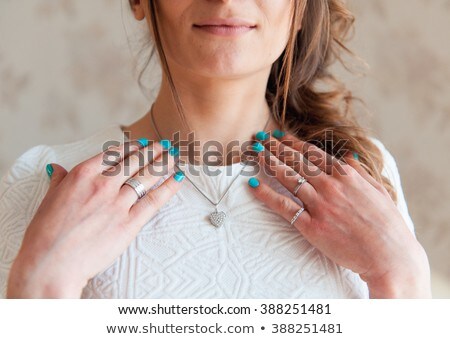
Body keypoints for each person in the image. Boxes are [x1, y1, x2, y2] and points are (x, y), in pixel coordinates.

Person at [0, 0, 431, 299]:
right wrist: (41, 288)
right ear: (138, 1)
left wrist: (403, 280)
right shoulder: (43, 178)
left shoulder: (364, 176)